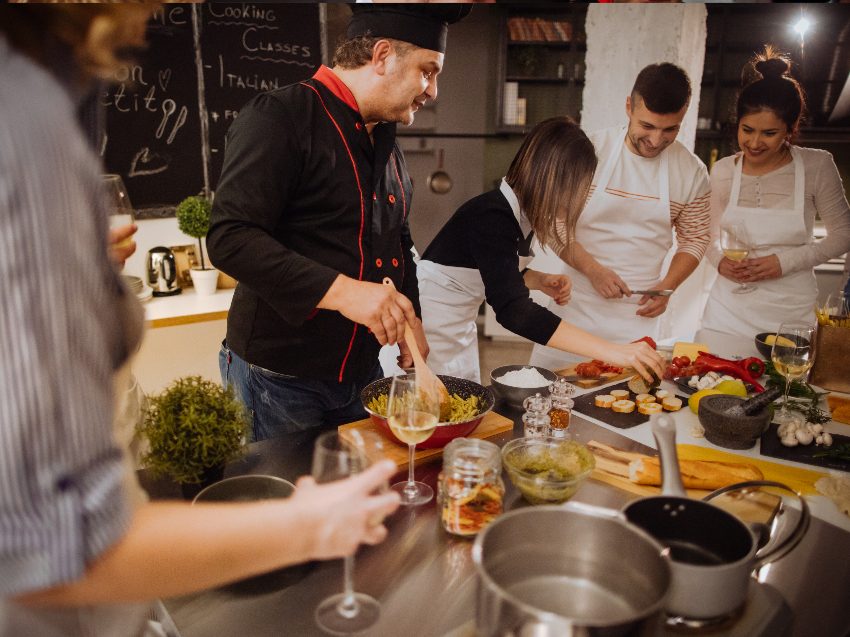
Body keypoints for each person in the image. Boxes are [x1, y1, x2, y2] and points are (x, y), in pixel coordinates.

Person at [0, 7, 399, 637]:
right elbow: (54, 549)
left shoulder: (42, 97)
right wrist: (308, 526)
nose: (151, 18)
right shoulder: (23, 118)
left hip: (349, 371)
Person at [207, 5, 471, 441]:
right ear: (382, 56)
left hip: (360, 374)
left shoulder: (385, 139)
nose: (433, 90)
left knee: (354, 483)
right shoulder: (280, 116)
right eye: (427, 72)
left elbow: (396, 236)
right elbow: (230, 238)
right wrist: (346, 292)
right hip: (278, 379)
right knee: (285, 488)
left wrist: (412, 318)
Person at [418, 117, 665, 383]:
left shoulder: (518, 215)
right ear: (554, 180)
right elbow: (514, 311)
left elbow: (489, 267)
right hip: (430, 325)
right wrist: (613, 351)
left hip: (456, 324)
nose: (579, 199)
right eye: (578, 188)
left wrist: (539, 280)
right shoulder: (492, 215)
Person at [530, 63, 711, 371]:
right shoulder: (588, 152)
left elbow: (695, 238)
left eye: (670, 129)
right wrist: (593, 270)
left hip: (636, 323)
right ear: (629, 106)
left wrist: (668, 286)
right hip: (573, 311)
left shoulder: (691, 172)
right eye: (647, 126)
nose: (656, 140)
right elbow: (553, 221)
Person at [699, 47, 850, 340]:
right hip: (727, 311)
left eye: (769, 133)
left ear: (790, 130)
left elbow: (844, 234)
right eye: (747, 130)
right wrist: (720, 262)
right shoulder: (724, 170)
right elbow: (707, 235)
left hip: (789, 314)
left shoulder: (817, 165)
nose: (754, 142)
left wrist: (783, 263)